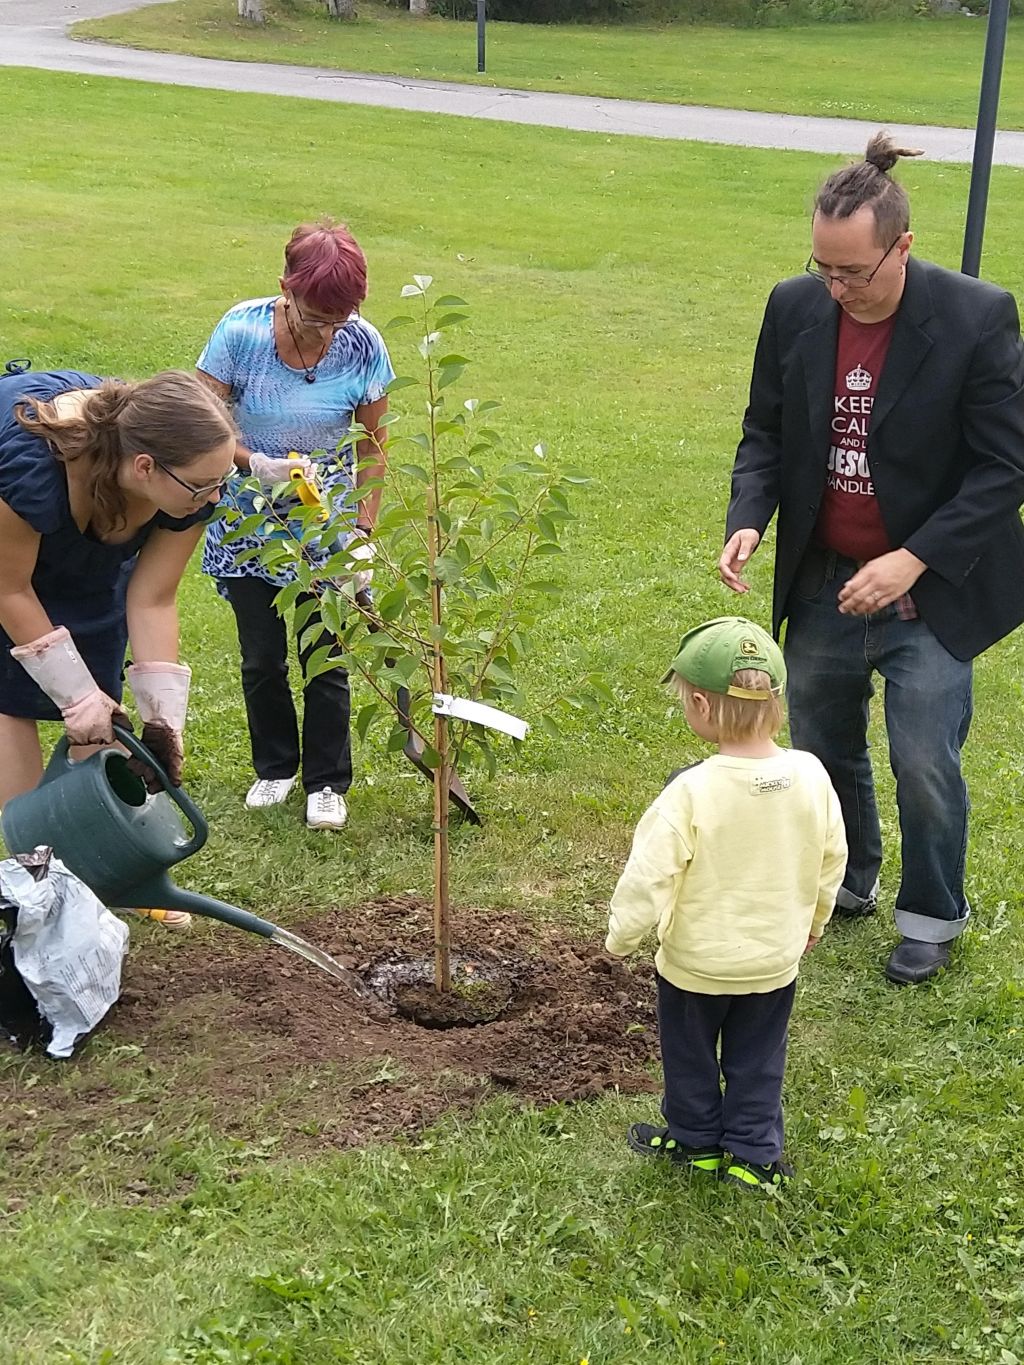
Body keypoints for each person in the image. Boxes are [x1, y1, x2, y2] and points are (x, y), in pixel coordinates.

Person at [719, 133, 1024, 985]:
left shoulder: (974, 315)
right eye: (824, 268)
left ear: (903, 246)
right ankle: (848, 878)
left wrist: (914, 558)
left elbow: (1008, 466)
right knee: (820, 741)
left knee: (924, 754)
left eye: (853, 272)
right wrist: (750, 516)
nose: (837, 288)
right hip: (824, 576)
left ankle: (930, 910)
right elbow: (767, 431)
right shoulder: (796, 308)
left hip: (931, 591)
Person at [605, 616, 846, 1190]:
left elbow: (649, 877)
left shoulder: (689, 792)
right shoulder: (811, 775)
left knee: (690, 1057)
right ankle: (754, 1156)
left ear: (701, 707)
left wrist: (621, 938)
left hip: (694, 967)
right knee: (758, 1059)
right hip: (772, 964)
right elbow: (832, 857)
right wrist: (815, 920)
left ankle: (696, 1142)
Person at [0, 367, 238, 928]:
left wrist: (162, 721)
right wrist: (69, 693)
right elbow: (9, 587)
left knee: (103, 705)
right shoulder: (35, 468)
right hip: (6, 559)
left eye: (222, 480)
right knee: (13, 701)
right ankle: (37, 885)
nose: (215, 496)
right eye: (203, 485)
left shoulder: (187, 484)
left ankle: (112, 870)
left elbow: (152, 598)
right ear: (145, 467)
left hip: (84, 557)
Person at [196, 220, 394, 832]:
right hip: (247, 522)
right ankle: (275, 768)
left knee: (326, 655)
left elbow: (373, 447)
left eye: (340, 317)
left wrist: (362, 534)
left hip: (323, 530)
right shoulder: (240, 331)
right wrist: (254, 462)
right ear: (284, 286)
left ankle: (328, 782)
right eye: (315, 317)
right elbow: (201, 423)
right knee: (261, 657)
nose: (329, 331)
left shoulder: (363, 345)